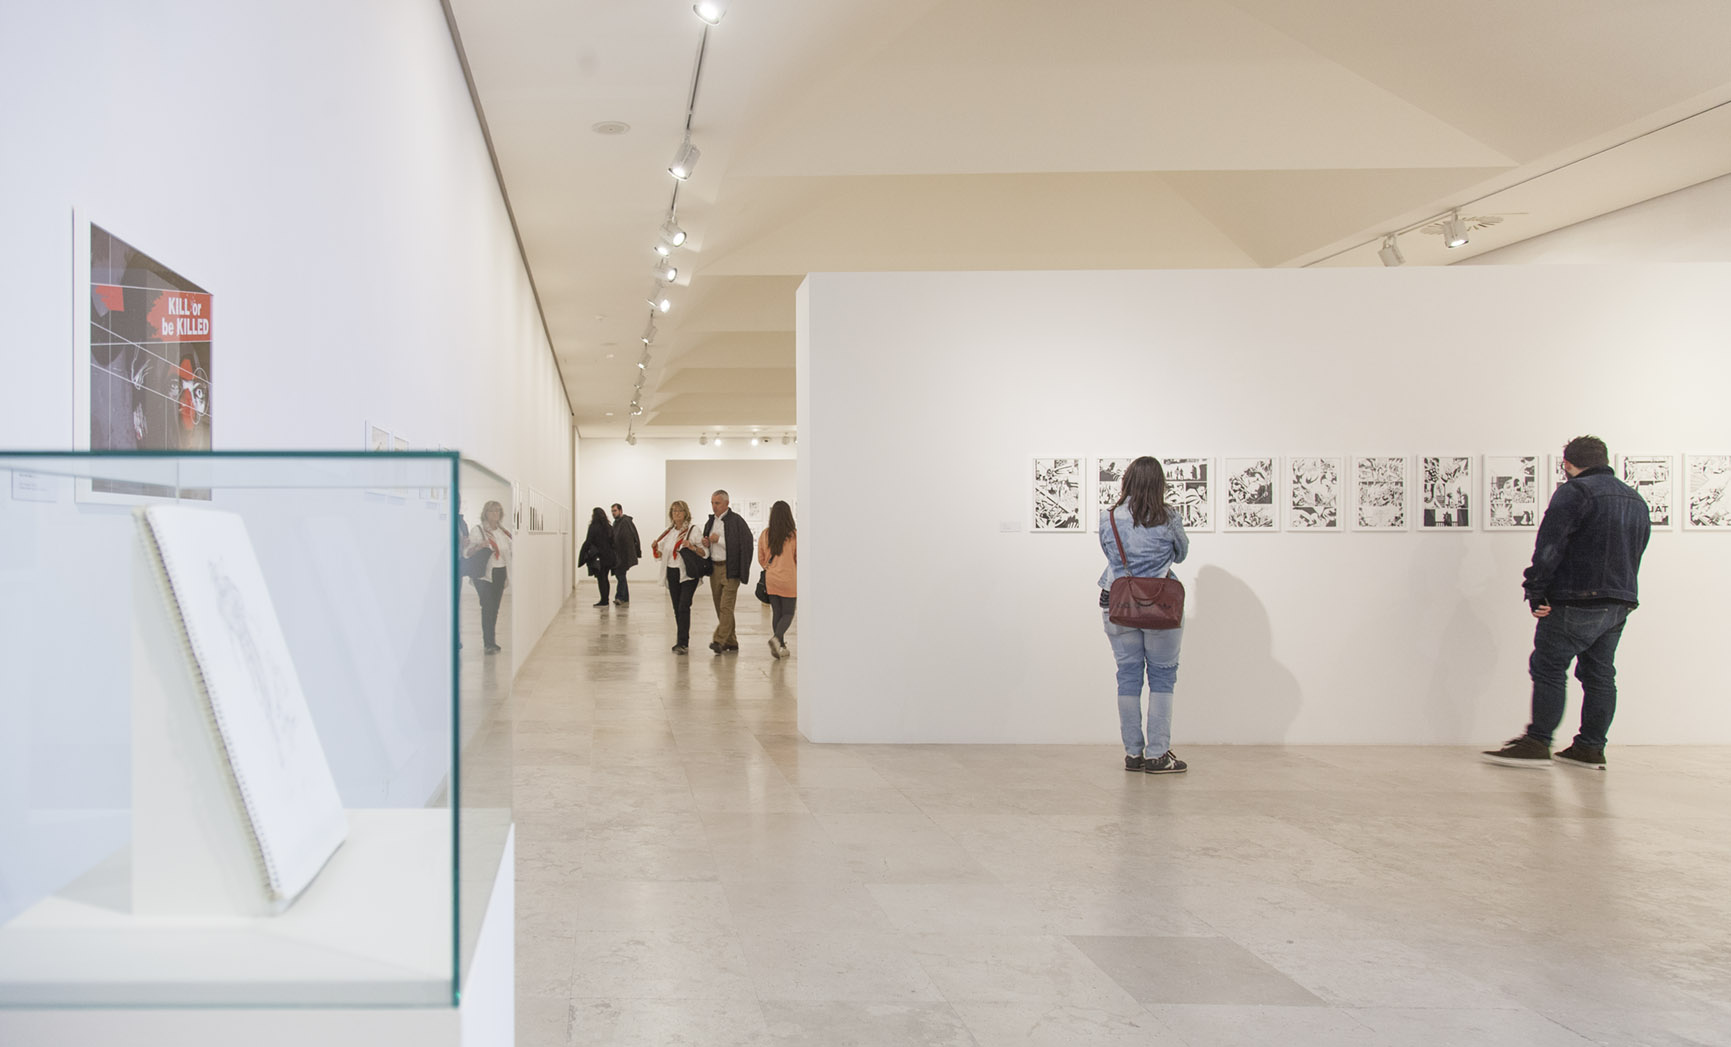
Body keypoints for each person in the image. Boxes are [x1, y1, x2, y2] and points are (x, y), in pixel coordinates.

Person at [1483, 435, 1651, 770]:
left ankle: (1537, 741)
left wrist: (1536, 590)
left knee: (1549, 666)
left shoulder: (1575, 491)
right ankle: (1590, 747)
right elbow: (1639, 547)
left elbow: (1550, 544)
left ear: (1568, 464)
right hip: (1619, 601)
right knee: (1599, 674)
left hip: (1576, 598)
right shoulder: (1635, 498)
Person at [1099, 456, 1189, 774]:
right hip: (1162, 603)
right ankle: (1157, 754)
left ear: (1127, 481)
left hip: (1117, 600)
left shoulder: (1109, 517)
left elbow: (1109, 553)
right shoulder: (1169, 516)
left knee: (1128, 675)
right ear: (1159, 484)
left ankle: (1133, 753)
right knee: (1162, 676)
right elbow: (1182, 553)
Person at [701, 489, 754, 654]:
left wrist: (720, 540)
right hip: (714, 569)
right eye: (712, 503)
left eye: (717, 503)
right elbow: (708, 544)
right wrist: (706, 543)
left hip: (730, 569)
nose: (714, 506)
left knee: (726, 606)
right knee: (720, 607)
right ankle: (731, 641)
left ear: (726, 503)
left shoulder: (736, 521)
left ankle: (719, 640)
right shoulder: (710, 522)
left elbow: (744, 543)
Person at [651, 500, 701, 654]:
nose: (676, 513)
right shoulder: (669, 532)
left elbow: (704, 552)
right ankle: (681, 640)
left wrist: (691, 546)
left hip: (687, 574)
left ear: (686, 513)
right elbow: (662, 554)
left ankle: (683, 642)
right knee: (676, 608)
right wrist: (655, 549)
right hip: (672, 572)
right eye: (674, 511)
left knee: (684, 606)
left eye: (679, 510)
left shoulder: (693, 530)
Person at [465, 500, 512, 655]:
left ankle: (491, 641)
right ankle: (488, 643)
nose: (495, 514)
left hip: (500, 572)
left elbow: (508, 552)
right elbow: (467, 553)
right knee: (487, 607)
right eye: (491, 511)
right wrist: (480, 546)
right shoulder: (478, 530)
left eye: (497, 511)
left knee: (495, 608)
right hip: (484, 575)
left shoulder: (503, 532)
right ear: (485, 513)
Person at [757, 501, 797, 659]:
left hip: (771, 578)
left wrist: (769, 567)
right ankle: (776, 639)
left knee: (777, 613)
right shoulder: (793, 535)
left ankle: (781, 646)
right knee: (788, 613)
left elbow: (761, 557)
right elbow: (798, 558)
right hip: (789, 578)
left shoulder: (765, 534)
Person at [577, 507, 616, 608]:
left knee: (601, 578)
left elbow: (588, 541)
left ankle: (604, 600)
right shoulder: (609, 527)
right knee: (605, 578)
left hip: (599, 557)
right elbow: (613, 542)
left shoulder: (593, 527)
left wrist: (582, 555)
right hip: (609, 556)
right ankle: (605, 599)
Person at [610, 503, 642, 606]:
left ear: (620, 511)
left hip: (623, 555)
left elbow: (632, 537)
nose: (613, 513)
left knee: (620, 575)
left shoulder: (625, 522)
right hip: (618, 555)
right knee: (621, 575)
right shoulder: (616, 523)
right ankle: (624, 597)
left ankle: (620, 597)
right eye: (612, 511)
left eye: (615, 511)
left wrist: (636, 552)